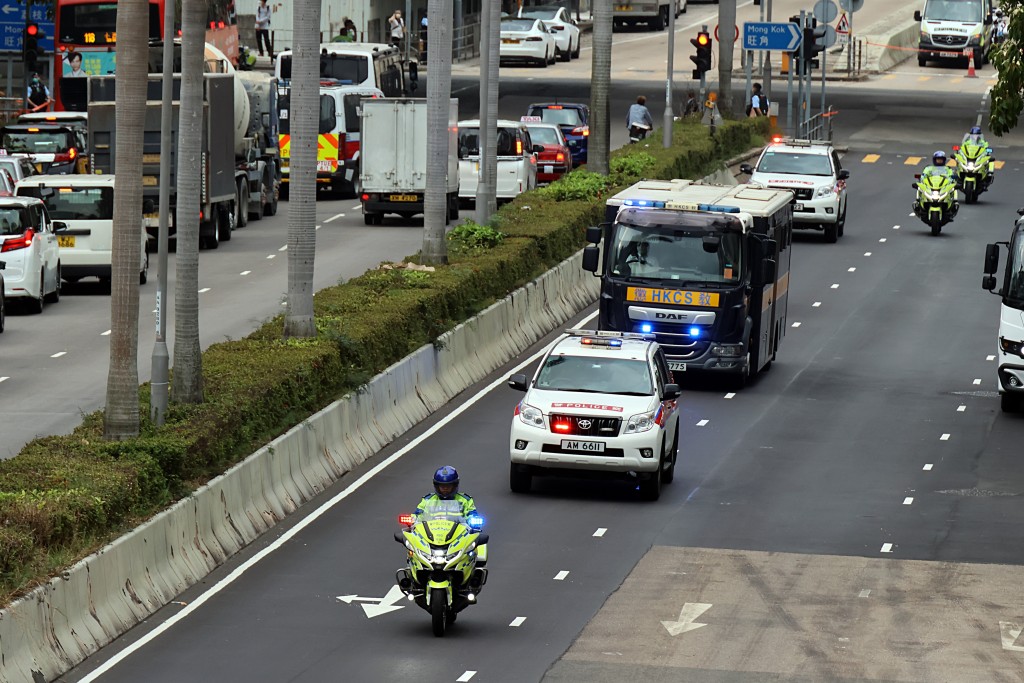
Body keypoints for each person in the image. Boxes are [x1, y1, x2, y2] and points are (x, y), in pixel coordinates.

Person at [414, 466, 486, 566]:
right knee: (412, 549)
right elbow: (418, 514)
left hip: (456, 537)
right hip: (432, 536)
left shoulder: (465, 500)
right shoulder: (428, 500)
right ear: (436, 486)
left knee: (475, 552)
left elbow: (471, 514)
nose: (445, 489)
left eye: (448, 486)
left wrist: (473, 521)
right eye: (442, 486)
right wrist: (413, 519)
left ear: (455, 485)